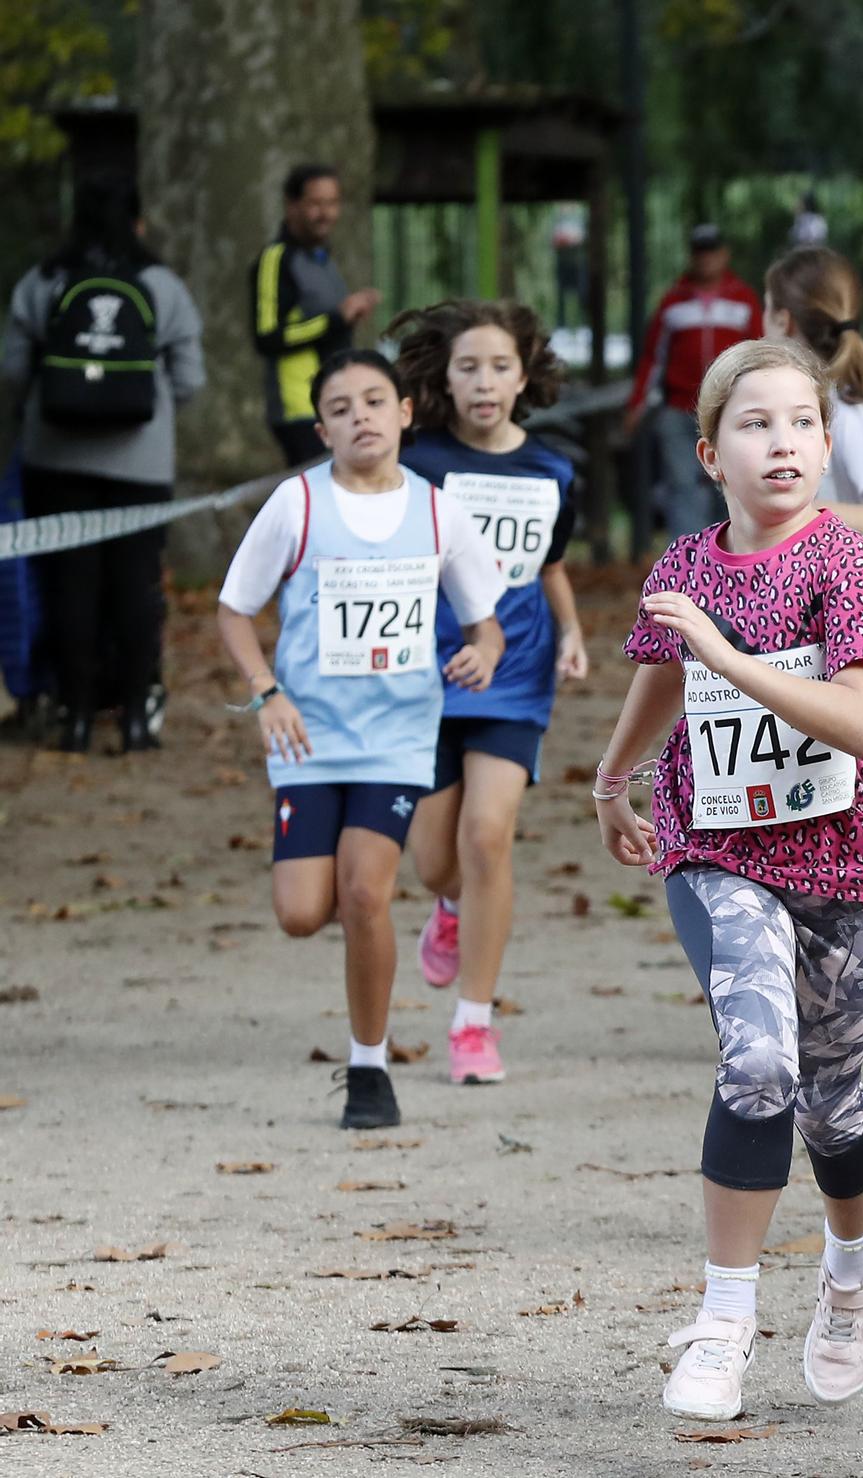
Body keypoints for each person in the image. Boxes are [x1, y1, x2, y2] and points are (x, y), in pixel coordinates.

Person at [592, 339, 863, 1423]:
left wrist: (728, 658)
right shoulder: (681, 565)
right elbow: (658, 669)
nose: (780, 441)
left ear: (825, 444)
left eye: (800, 423)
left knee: (829, 1101)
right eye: (753, 423)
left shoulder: (848, 566)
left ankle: (853, 1267)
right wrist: (613, 777)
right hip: (714, 847)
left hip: (842, 861)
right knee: (758, 1059)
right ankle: (723, 1320)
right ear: (709, 452)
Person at [215, 350, 505, 1132]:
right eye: (341, 409)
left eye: (375, 401)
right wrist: (266, 693)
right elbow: (234, 611)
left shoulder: (439, 511)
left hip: (399, 736)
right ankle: (366, 949)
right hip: (308, 737)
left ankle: (369, 1068)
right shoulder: (296, 504)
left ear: (407, 411)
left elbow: (487, 624)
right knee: (302, 912)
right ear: (322, 428)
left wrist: (482, 651)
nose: (361, 417)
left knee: (365, 890)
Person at [389, 301, 588, 1087]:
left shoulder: (554, 469)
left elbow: (549, 566)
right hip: (426, 671)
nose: (483, 382)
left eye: (499, 366)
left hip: (516, 673)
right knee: (436, 862)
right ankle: (448, 910)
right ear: (443, 375)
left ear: (524, 375)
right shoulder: (417, 460)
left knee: (488, 837)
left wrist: (570, 632)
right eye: (467, 366)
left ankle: (474, 1021)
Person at [2, 171, 204, 754]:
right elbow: (191, 378)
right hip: (141, 464)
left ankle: (76, 717)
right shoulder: (162, 286)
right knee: (136, 588)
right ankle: (138, 716)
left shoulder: (42, 281)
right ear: (138, 222)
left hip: (55, 457)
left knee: (70, 587)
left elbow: (14, 371)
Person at [763, 247, 863, 762]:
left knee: (856, 819)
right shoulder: (807, 406)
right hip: (807, 630)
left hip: (861, 636)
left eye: (765, 308)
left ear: (782, 320)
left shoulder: (848, 415)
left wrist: (799, 512)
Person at [624, 224, 763, 541]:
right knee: (682, 484)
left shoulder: (744, 299)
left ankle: (725, 552)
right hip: (679, 408)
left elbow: (758, 354)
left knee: (727, 481)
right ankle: (688, 561)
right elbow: (653, 358)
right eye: (700, 252)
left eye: (712, 251)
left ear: (724, 254)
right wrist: (637, 404)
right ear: (692, 256)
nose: (707, 259)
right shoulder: (673, 302)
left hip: (729, 410)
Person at [252, 163, 378, 468]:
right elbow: (268, 336)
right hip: (298, 408)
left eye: (333, 203)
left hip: (337, 400)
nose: (327, 213)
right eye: (316, 203)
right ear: (292, 206)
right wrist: (336, 319)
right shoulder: (277, 258)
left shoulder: (323, 259)